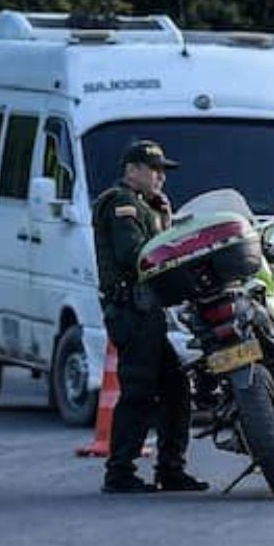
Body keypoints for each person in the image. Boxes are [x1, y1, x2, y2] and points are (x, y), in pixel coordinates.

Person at [91, 140, 206, 494]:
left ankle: (171, 469)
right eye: (154, 169)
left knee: (175, 387)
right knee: (139, 390)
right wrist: (163, 227)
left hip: (148, 310)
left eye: (162, 171)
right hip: (132, 310)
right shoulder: (122, 204)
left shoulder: (146, 206)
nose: (160, 177)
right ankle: (119, 473)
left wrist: (165, 219)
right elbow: (134, 254)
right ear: (132, 170)